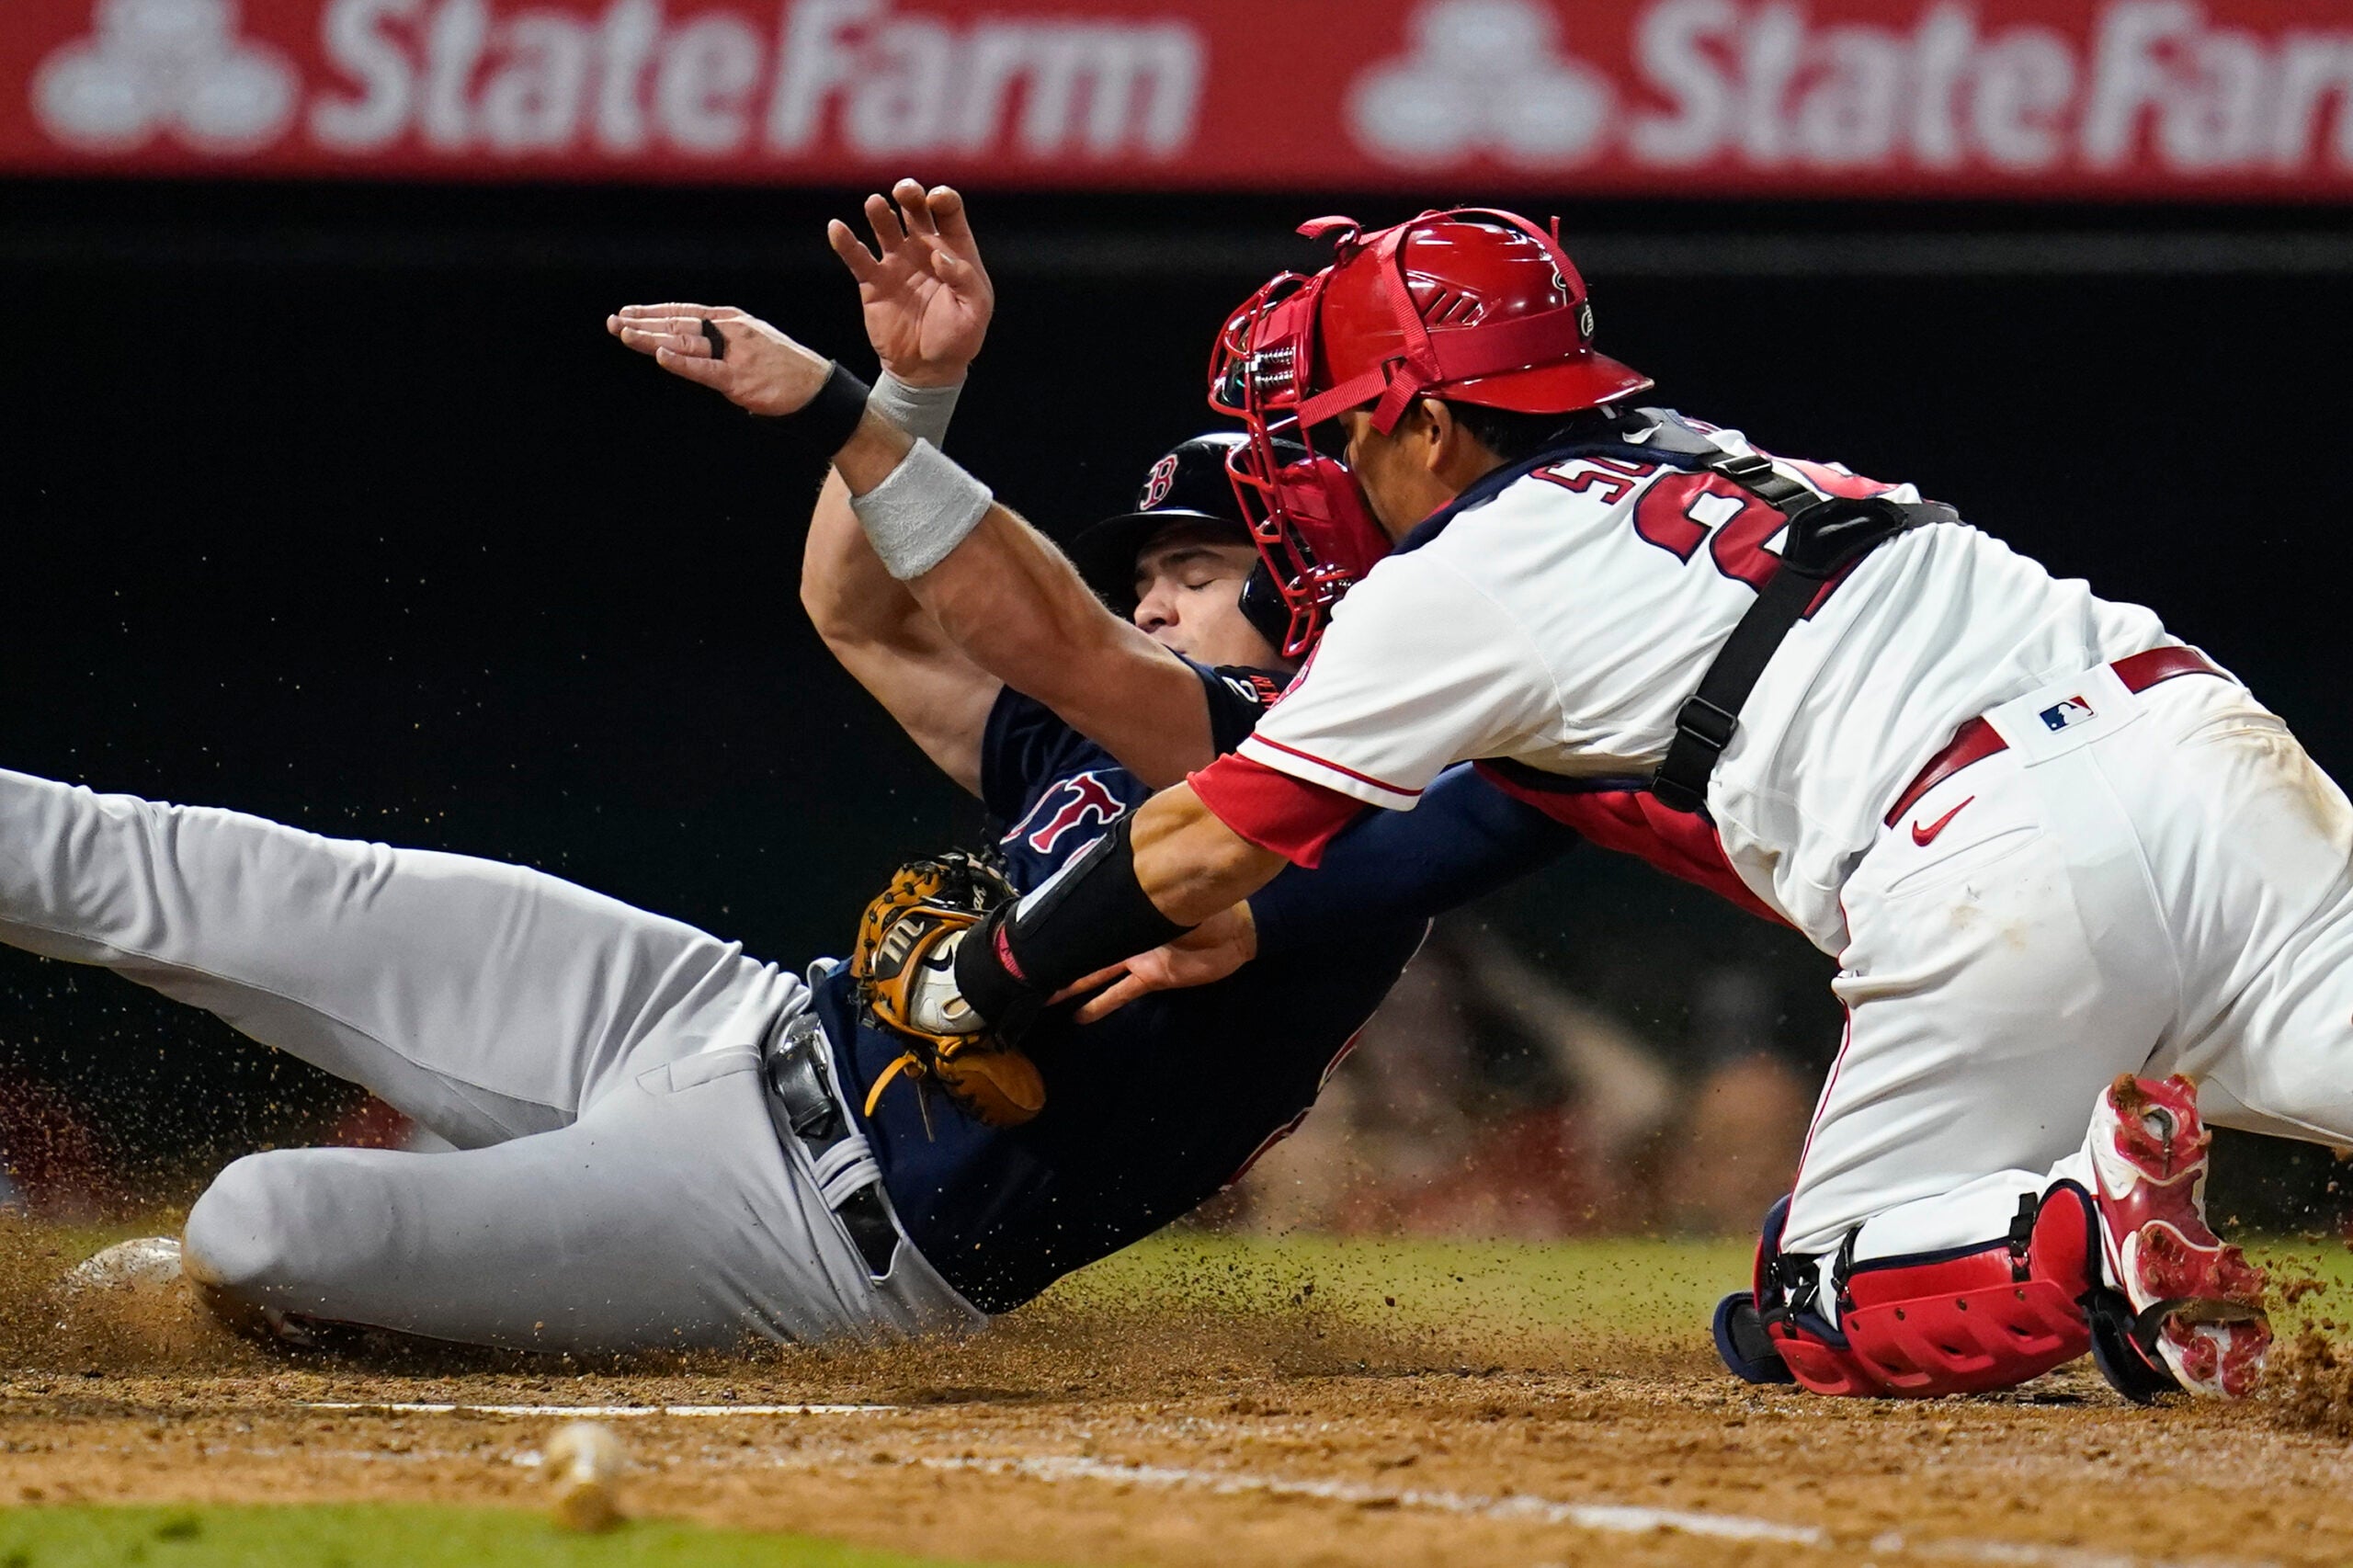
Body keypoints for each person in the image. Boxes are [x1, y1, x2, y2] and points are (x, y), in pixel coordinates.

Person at [823, 205, 2338, 1403]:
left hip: (1982, 846)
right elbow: (1477, 814)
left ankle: (2085, 1240)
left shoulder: (1465, 571)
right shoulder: (1723, 458)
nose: (1320, 465)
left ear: (1427, 422)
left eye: (1341, 425)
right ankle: (2112, 1253)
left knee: (1809, 1308)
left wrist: (988, 971)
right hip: (2199, 736)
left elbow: (1215, 828)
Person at [17, 187, 1570, 1354]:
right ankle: (443, 1281)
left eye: (1201, 566)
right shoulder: (1112, 730)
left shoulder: (1351, 807)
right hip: (735, 1010)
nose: (1154, 594)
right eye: (1146, 569)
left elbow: (1053, 636)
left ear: (1310, 586)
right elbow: (866, 611)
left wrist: (850, 412)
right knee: (169, 863)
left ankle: (419, 1306)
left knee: (258, 1220)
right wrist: (911, 399)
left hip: (822, 1236)